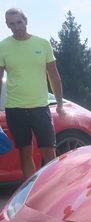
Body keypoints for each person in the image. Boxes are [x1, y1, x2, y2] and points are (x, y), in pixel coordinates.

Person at [0, 7, 66, 179]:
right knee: (25, 153)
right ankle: (31, 191)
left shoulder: (42, 43)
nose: (16, 27)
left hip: (40, 107)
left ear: (26, 21)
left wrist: (59, 105)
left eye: (19, 22)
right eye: (12, 24)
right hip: (15, 109)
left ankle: (51, 188)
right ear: (7, 25)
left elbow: (53, 75)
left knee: (49, 152)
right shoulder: (3, 46)